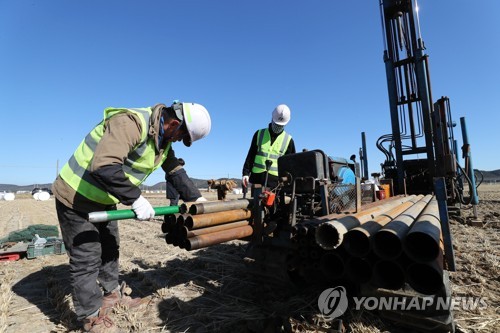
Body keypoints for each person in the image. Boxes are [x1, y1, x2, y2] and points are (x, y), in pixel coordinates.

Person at [52, 101, 211, 332]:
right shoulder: (131, 123)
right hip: (76, 195)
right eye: (181, 136)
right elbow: (104, 165)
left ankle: (112, 296)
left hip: (104, 199)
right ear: (174, 124)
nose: (178, 141)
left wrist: (196, 199)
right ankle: (91, 317)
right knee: (86, 258)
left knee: (110, 248)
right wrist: (135, 198)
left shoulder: (162, 139)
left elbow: (174, 169)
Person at [241, 104, 296, 194]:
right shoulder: (259, 134)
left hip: (276, 184)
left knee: (274, 207)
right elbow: (251, 155)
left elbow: (291, 166)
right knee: (255, 206)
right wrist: (245, 173)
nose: (278, 127)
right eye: (276, 124)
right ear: (272, 118)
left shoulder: (288, 140)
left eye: (280, 125)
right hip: (257, 180)